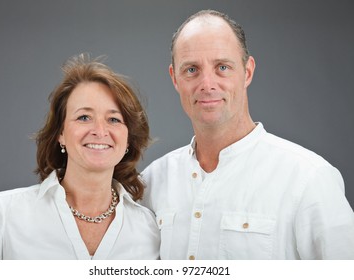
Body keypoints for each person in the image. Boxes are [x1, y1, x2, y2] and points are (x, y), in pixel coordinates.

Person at [141, 9, 354, 259]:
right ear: (174, 78)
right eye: (191, 70)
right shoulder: (152, 182)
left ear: (248, 72)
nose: (207, 84)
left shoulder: (308, 177)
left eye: (222, 67)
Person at [0, 54, 160, 259]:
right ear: (61, 134)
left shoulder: (149, 229)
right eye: (84, 117)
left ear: (128, 139)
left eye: (113, 119)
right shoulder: (3, 213)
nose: (100, 131)